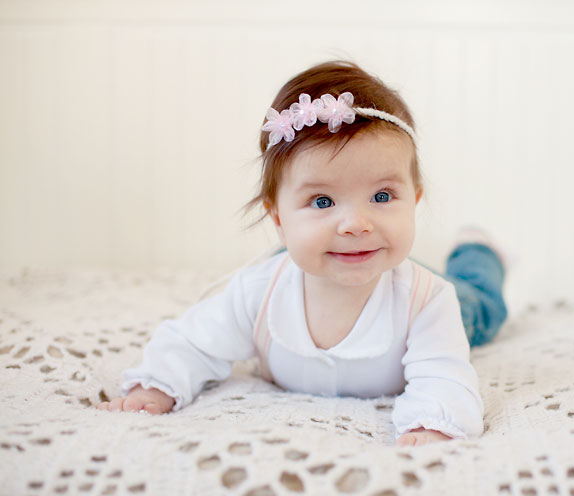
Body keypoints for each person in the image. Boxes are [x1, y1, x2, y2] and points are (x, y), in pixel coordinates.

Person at [97, 61, 507, 446]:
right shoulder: (257, 292)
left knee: (481, 305)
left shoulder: (429, 301)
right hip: (318, 257)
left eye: (382, 196)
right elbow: (193, 342)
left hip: (410, 281)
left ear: (414, 200)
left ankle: (477, 251)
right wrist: (156, 386)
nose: (356, 224)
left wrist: (432, 423)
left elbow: (443, 374)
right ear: (277, 217)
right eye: (323, 201)